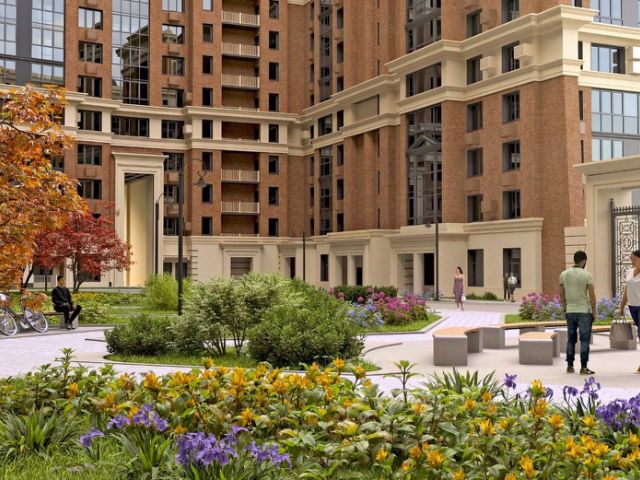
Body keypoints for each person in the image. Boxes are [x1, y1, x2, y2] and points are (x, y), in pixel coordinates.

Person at [559, 250, 596, 375]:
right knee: (584, 340)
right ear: (584, 261)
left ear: (574, 260)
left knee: (571, 339)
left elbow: (561, 293)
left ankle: (569, 366)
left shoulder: (564, 274)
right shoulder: (587, 275)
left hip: (570, 311)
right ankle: (583, 367)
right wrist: (594, 311)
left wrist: (565, 307)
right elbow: (592, 296)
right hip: (584, 311)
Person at [618, 249, 640, 372]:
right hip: (632, 307)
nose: (632, 261)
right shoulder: (629, 272)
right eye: (631, 259)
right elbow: (626, 291)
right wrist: (621, 307)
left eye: (634, 259)